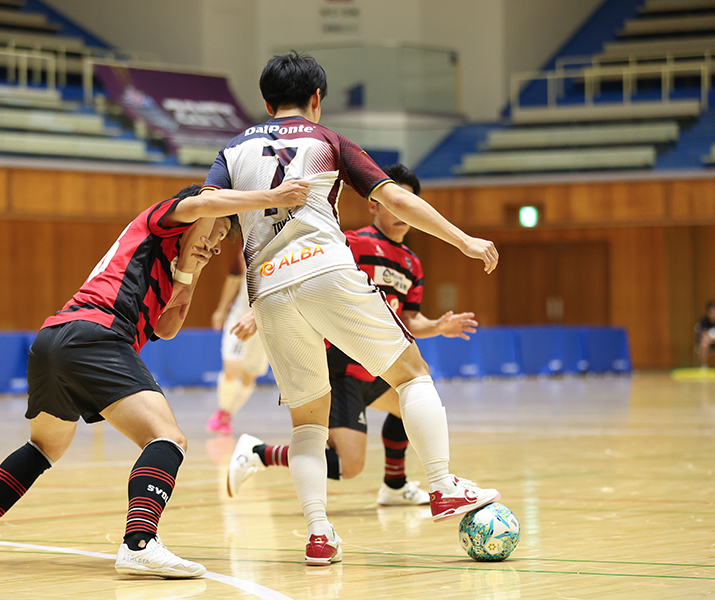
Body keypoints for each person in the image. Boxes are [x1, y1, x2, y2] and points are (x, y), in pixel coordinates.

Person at [201, 52, 501, 566]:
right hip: (324, 269)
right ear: (316, 99)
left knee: (307, 423)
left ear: (267, 103)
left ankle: (319, 535)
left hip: (267, 290)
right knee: (411, 374)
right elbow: (396, 199)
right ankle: (442, 486)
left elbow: (205, 211)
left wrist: (185, 282)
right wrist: (463, 240)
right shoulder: (328, 141)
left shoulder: (232, 151)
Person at [0, 180, 309, 578]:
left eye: (223, 239)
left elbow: (167, 328)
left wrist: (188, 274)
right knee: (167, 438)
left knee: (44, 447)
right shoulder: (159, 220)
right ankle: (139, 544)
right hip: (97, 335)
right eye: (215, 230)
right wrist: (274, 198)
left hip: (54, 339)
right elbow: (206, 202)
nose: (216, 244)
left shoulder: (172, 265)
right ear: (196, 215)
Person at [227, 164, 479, 507]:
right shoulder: (353, 242)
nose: (401, 211)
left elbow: (408, 319)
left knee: (413, 407)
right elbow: (299, 274)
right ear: (374, 204)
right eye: (394, 201)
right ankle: (259, 453)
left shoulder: (412, 263)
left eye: (409, 202)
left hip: (379, 367)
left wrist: (437, 326)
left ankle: (394, 486)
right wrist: (257, 315)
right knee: (349, 465)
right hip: (343, 366)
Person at [206, 248, 270, 434]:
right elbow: (234, 278)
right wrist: (221, 310)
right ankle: (222, 410)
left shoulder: (284, 253)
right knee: (232, 368)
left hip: (264, 324)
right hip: (239, 318)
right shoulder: (247, 250)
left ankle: (227, 414)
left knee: (249, 376)